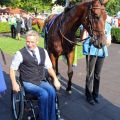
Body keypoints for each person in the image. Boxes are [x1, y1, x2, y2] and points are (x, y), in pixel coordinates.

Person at [10, 30, 61, 120]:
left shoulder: (43, 51)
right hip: (28, 82)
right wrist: (14, 83)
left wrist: (55, 79)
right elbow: (12, 69)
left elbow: (49, 67)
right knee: (44, 94)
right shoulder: (20, 53)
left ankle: (52, 117)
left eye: (32, 42)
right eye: (27, 42)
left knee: (52, 92)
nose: (29, 44)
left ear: (37, 41)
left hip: (40, 80)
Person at [81, 17, 112, 105]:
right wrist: (87, 33)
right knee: (90, 74)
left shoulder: (108, 26)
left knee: (97, 75)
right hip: (91, 52)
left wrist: (104, 40)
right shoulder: (91, 25)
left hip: (102, 52)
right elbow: (83, 38)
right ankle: (89, 95)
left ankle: (95, 94)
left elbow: (109, 42)